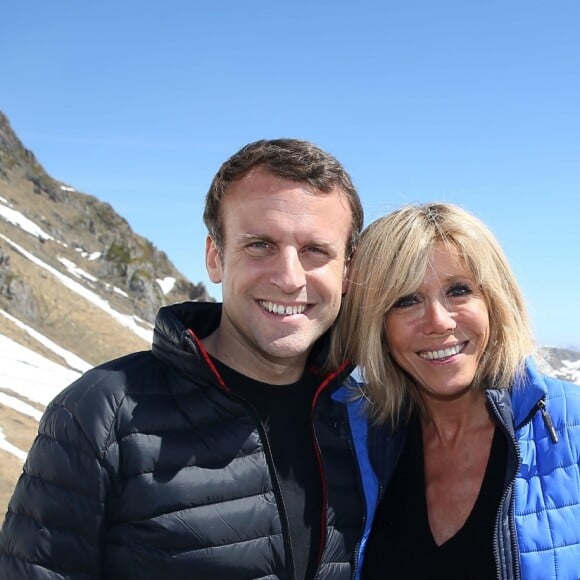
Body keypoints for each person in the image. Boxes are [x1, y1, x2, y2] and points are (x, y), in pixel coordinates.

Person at [0, 138, 380, 580]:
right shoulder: (101, 415)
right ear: (215, 258)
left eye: (315, 251)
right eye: (260, 245)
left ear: (348, 272)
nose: (289, 277)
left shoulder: (368, 421)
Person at [330, 202, 580, 579]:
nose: (438, 321)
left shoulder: (569, 424)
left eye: (459, 290)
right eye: (406, 300)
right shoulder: (356, 436)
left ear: (495, 301)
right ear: (375, 323)